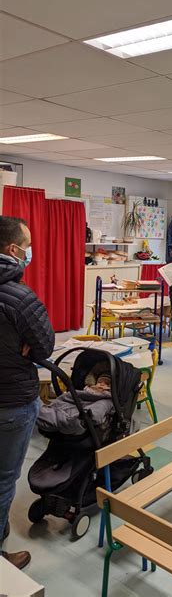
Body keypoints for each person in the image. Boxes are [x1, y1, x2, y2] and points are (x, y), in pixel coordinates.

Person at [0, 216, 55, 569]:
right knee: (4, 478)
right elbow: (44, 346)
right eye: (28, 244)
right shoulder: (20, 297)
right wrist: (23, 347)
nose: (30, 252)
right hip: (10, 402)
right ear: (13, 249)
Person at [37, 372, 113, 436]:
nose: (101, 384)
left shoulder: (105, 401)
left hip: (75, 419)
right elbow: (66, 398)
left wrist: (85, 418)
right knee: (35, 408)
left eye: (107, 384)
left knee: (35, 410)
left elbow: (97, 411)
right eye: (99, 382)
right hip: (60, 409)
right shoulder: (85, 391)